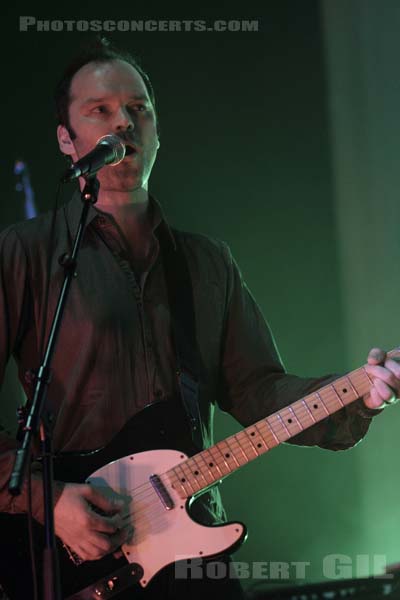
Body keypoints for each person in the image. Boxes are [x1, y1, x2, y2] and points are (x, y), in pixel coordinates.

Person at [0, 38, 399, 599]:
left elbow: (261, 391)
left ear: (158, 131)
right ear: (67, 141)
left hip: (191, 549)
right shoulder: (26, 253)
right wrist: (51, 502)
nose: (125, 124)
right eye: (101, 111)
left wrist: (358, 392)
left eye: (140, 110)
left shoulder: (205, 263)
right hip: (65, 557)